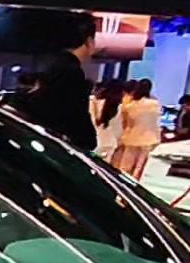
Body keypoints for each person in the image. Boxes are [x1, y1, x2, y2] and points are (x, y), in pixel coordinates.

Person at [17, 13, 97, 151]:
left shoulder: (51, 66)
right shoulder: (72, 74)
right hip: (53, 146)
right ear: (89, 41)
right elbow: (78, 122)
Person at [116, 77, 163, 180]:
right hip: (150, 139)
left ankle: (121, 184)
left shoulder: (130, 105)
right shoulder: (156, 104)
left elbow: (125, 123)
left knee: (126, 166)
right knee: (139, 167)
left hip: (132, 138)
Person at [90, 82, 123, 161]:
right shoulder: (120, 108)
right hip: (109, 144)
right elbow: (119, 130)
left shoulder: (94, 101)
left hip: (95, 141)